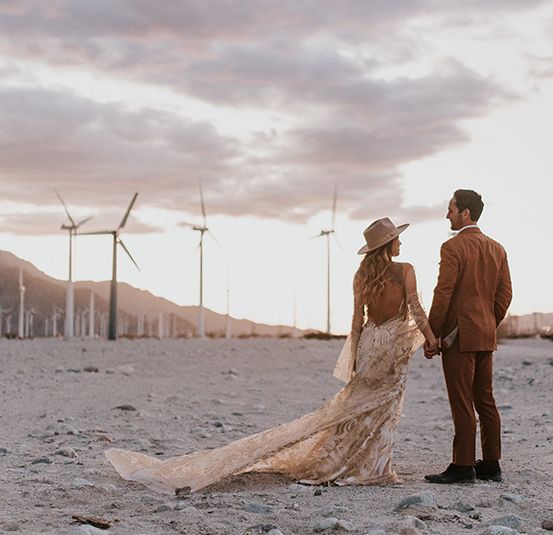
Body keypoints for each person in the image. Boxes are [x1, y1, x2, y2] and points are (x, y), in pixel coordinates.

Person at [105, 217, 438, 493]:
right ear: (388, 245)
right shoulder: (406, 269)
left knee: (354, 406)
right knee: (385, 408)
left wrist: (352, 361)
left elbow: (356, 322)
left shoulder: (361, 276)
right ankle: (378, 466)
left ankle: (361, 462)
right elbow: (416, 310)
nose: (401, 244)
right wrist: (431, 339)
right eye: (396, 239)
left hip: (369, 344)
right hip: (392, 345)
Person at [423, 189, 512, 484]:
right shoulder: (497, 249)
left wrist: (433, 334)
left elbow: (443, 293)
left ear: (465, 214)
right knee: (485, 399)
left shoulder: (452, 247)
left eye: (451, 209)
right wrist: (488, 321)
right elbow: (505, 294)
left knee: (462, 401)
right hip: (485, 335)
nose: (447, 215)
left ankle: (462, 466)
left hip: (458, 338)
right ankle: (490, 464)